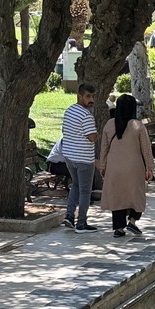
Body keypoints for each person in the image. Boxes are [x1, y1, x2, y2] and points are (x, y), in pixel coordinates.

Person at [97, 94, 153, 238]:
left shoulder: (109, 125)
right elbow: (146, 149)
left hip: (114, 168)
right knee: (136, 196)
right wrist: (150, 168)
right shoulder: (138, 126)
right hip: (134, 168)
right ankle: (133, 221)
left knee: (118, 198)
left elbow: (104, 149)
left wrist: (102, 166)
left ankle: (119, 228)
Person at [62, 83, 99, 232]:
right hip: (84, 158)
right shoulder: (86, 115)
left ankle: (69, 216)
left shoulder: (69, 111)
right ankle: (81, 223)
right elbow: (92, 137)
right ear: (80, 96)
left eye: (93, 96)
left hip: (70, 156)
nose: (91, 100)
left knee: (75, 186)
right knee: (85, 191)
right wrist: (97, 135)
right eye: (88, 96)